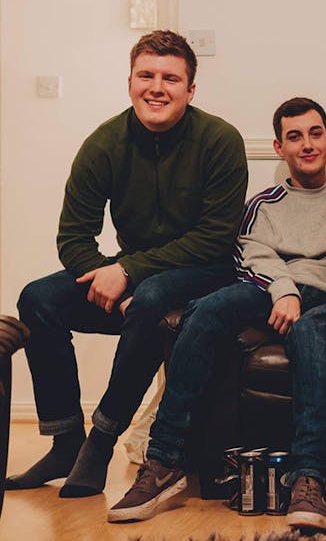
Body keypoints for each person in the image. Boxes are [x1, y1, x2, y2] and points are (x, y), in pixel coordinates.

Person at [105, 97, 326, 530]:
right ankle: (165, 461)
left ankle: (308, 477)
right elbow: (249, 252)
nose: (306, 145)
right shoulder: (264, 203)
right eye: (294, 137)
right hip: (272, 288)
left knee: (311, 337)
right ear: (278, 148)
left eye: (315, 134)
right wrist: (283, 290)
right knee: (205, 310)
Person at [10, 30, 248, 498]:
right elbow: (73, 236)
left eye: (171, 78)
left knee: (152, 295)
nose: (157, 87)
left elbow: (215, 237)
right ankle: (64, 440)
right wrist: (108, 272)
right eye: (147, 75)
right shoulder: (104, 143)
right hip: (136, 269)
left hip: (207, 268)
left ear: (190, 90)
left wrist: (130, 273)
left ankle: (101, 439)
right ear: (130, 82)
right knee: (37, 299)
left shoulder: (220, 139)